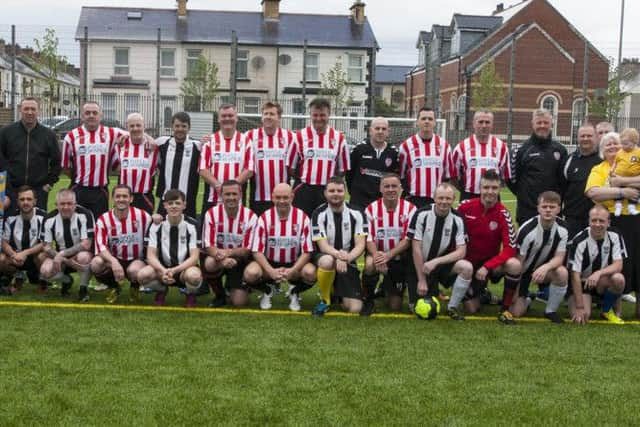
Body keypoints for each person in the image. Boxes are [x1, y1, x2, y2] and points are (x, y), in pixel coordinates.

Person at [586, 131, 640, 318]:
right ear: (602, 150)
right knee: (619, 265)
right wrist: (623, 192)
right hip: (613, 221)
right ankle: (613, 309)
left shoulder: (635, 159)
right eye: (608, 145)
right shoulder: (599, 169)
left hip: (637, 219)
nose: (613, 147)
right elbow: (593, 193)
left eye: (616, 143)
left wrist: (621, 182)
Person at [457, 170, 522, 324]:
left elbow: (509, 249)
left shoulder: (503, 214)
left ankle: (505, 309)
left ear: (500, 189)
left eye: (494, 188)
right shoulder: (464, 208)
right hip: (467, 265)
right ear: (480, 188)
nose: (490, 192)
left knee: (514, 264)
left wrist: (487, 266)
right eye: (486, 187)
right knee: (472, 309)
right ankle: (481, 293)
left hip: (490, 266)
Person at [244, 183, 316, 311]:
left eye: (285, 197)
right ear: (272, 197)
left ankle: (295, 292)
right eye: (278, 197)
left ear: (292, 197)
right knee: (250, 273)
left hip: (294, 263)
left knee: (310, 273)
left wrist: (293, 270)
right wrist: (271, 271)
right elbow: (256, 251)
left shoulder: (302, 218)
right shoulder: (264, 218)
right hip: (269, 264)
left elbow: (307, 251)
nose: (281, 201)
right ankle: (267, 290)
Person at [408, 183, 472, 320]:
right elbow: (416, 248)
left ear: (454, 199)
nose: (444, 202)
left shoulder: (458, 219)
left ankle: (452, 307)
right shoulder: (421, 214)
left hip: (438, 265)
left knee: (466, 267)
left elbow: (461, 252)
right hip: (419, 265)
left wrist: (436, 262)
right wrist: (421, 280)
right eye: (440, 198)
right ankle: (430, 288)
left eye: (448, 198)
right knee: (415, 307)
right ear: (434, 198)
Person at [360, 173, 417, 315]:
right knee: (369, 264)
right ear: (380, 188)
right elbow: (369, 238)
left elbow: (408, 239)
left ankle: (386, 287)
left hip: (399, 258)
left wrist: (389, 255)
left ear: (401, 189)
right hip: (378, 254)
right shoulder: (371, 209)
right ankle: (368, 298)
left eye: (394, 186)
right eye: (386, 186)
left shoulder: (410, 209)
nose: (390, 189)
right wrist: (377, 255)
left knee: (395, 306)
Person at [311, 176, 367, 316]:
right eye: (331, 190)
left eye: (339, 191)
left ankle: (338, 292)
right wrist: (338, 256)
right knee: (327, 261)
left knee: (355, 309)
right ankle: (325, 299)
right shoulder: (319, 213)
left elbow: (360, 244)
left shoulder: (357, 213)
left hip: (347, 261)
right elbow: (323, 246)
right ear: (325, 193)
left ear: (345, 192)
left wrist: (346, 258)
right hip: (327, 257)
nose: (335, 194)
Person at [137, 189, 202, 307]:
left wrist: (174, 270)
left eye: (177, 203)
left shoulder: (193, 225)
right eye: (170, 203)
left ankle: (189, 293)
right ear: (164, 205)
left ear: (184, 205)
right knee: (142, 275)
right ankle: (161, 290)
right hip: (162, 270)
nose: (174, 206)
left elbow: (194, 257)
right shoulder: (156, 225)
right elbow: (150, 256)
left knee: (194, 276)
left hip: (184, 270)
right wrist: (163, 271)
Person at [511, 191, 569, 323]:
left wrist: (545, 268)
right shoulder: (527, 230)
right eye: (544, 207)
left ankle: (550, 310)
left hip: (545, 271)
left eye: (552, 207)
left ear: (559, 209)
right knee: (516, 312)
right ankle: (527, 298)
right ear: (538, 208)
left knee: (562, 272)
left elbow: (559, 258)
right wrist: (515, 291)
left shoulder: (564, 228)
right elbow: (518, 263)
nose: (548, 210)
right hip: (523, 272)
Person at [287, 97, 350, 216]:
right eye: (315, 115)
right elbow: (291, 167)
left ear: (329, 114)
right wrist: (304, 179)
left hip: (327, 191)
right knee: (303, 223)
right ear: (310, 114)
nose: (318, 118)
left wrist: (329, 182)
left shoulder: (339, 138)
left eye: (322, 115)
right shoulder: (299, 136)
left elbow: (343, 169)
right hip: (304, 189)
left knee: (326, 224)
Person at [61, 101, 124, 219]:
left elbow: (135, 134)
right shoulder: (71, 136)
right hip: (79, 189)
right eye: (87, 113)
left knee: (99, 226)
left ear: (100, 116)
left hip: (100, 191)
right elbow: (65, 167)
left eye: (95, 113)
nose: (91, 115)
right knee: (78, 224)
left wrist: (149, 139)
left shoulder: (111, 133)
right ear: (82, 116)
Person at [91, 185, 152, 304]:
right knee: (96, 263)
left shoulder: (143, 216)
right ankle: (114, 287)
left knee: (135, 271)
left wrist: (157, 218)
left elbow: (155, 234)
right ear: (112, 199)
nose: (121, 199)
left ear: (131, 199)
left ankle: (135, 288)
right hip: (114, 258)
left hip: (136, 259)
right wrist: (114, 262)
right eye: (118, 196)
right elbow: (101, 246)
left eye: (125, 196)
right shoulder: (103, 219)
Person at [201, 180, 258, 308]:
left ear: (240, 195)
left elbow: (247, 249)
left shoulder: (250, 216)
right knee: (209, 263)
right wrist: (222, 258)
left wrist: (228, 254)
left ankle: (240, 287)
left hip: (239, 260)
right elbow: (208, 245)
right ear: (221, 195)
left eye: (234, 194)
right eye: (227, 194)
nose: (231, 197)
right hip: (218, 258)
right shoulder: (211, 214)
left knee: (239, 302)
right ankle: (219, 295)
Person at [0, 97, 61, 214]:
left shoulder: (48, 135)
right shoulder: (6, 132)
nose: (29, 112)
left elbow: (57, 162)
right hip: (11, 189)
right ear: (20, 110)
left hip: (38, 190)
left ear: (38, 111)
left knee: (38, 225)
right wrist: (5, 185)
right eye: (26, 109)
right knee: (11, 226)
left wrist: (49, 184)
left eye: (33, 109)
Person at [568, 204, 626, 325]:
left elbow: (618, 265)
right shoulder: (579, 241)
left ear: (608, 222)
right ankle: (582, 302)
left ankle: (606, 310)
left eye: (601, 221)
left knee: (619, 279)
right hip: (583, 283)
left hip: (601, 281)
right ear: (588, 221)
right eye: (594, 220)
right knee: (582, 317)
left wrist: (598, 273)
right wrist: (579, 306)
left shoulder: (615, 235)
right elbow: (575, 275)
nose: (597, 224)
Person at [508, 108, 568, 225]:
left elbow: (564, 182)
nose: (542, 126)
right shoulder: (521, 150)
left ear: (551, 124)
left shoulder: (560, 150)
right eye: (539, 123)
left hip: (553, 212)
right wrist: (526, 196)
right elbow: (512, 180)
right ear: (532, 124)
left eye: (545, 123)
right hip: (527, 212)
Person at [40, 189, 94, 300]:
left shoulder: (85, 214)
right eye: (62, 204)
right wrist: (63, 258)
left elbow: (86, 244)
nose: (66, 207)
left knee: (84, 257)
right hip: (60, 256)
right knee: (45, 271)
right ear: (56, 205)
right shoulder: (49, 219)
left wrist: (62, 254)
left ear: (75, 204)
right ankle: (66, 280)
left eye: (69, 203)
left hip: (78, 255)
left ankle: (83, 289)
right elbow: (46, 247)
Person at [199, 104, 252, 210]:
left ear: (236, 118)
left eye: (230, 115)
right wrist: (219, 186)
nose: (227, 118)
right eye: (223, 116)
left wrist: (231, 189)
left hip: (237, 199)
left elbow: (249, 169)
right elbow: (203, 169)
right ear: (218, 119)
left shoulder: (246, 141)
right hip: (212, 199)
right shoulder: (210, 141)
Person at [244, 101, 294, 216]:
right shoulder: (250, 135)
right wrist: (209, 138)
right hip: (258, 196)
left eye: (272, 114)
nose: (268, 117)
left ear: (279, 117)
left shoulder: (290, 137)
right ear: (261, 117)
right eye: (265, 114)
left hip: (282, 197)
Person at [398, 107, 453, 208]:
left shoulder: (445, 146)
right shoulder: (406, 146)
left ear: (435, 122)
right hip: (414, 199)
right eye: (423, 119)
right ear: (417, 122)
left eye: (430, 119)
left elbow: (448, 176)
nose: (427, 121)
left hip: (437, 200)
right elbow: (402, 175)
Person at [452, 110, 511, 201]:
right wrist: (464, 190)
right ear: (474, 124)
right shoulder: (461, 147)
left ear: (492, 125)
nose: (484, 125)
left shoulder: (502, 147)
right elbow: (454, 175)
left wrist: (493, 189)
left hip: (493, 197)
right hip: (469, 196)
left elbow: (505, 177)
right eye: (480, 122)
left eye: (487, 122)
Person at [0, 186, 48, 293]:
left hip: (34, 258)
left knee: (43, 256)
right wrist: (13, 254)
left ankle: (42, 281)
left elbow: (45, 243)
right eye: (22, 199)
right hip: (16, 258)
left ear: (35, 201)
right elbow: (4, 242)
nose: (25, 202)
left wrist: (25, 253)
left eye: (29, 199)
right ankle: (18, 276)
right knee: (2, 259)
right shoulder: (11, 218)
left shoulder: (44, 217)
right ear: (17, 201)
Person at [155, 112, 202, 219]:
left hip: (187, 201)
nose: (180, 129)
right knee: (163, 232)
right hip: (166, 200)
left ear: (189, 128)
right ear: (172, 127)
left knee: (188, 232)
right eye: (177, 126)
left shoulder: (198, 146)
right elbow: (143, 140)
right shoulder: (162, 143)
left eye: (184, 126)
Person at [346, 117, 399, 209]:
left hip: (382, 203)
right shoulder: (359, 150)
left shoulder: (393, 152)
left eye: (383, 129)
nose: (380, 131)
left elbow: (397, 176)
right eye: (377, 128)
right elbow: (349, 175)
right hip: (359, 202)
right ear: (370, 131)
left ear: (388, 132)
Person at [561, 123, 601, 239]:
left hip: (598, 219)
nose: (585, 139)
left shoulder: (603, 160)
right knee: (572, 254)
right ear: (577, 138)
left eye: (589, 136)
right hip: (573, 220)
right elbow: (561, 188)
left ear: (596, 137)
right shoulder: (568, 160)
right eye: (582, 136)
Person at [116, 113, 159, 214]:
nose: (135, 128)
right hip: (123, 197)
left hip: (144, 197)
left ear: (144, 126)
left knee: (145, 228)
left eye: (138, 125)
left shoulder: (153, 146)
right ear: (127, 127)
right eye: (132, 126)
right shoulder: (120, 144)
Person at [611, 128, 640, 216]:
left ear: (634, 142)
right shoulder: (620, 152)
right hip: (619, 176)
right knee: (617, 189)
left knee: (634, 190)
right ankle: (618, 205)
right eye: (622, 143)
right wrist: (612, 170)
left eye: (626, 143)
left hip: (633, 178)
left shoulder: (638, 152)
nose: (623, 146)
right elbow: (615, 163)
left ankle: (632, 206)